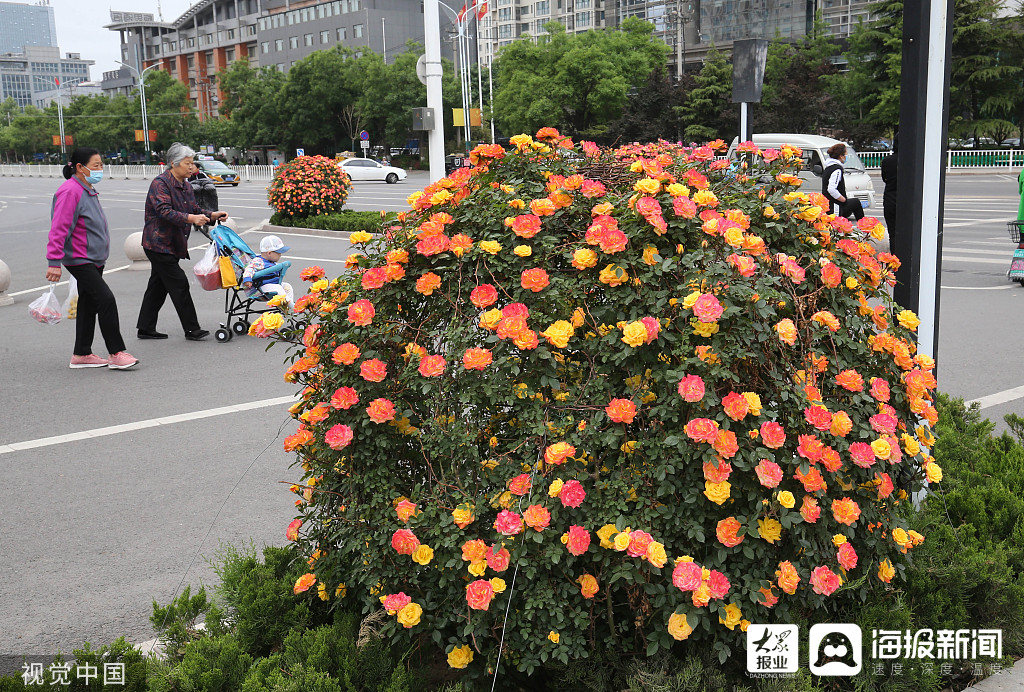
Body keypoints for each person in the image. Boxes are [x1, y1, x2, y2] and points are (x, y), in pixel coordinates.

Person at [46, 147, 138, 370]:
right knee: (105, 299)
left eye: (101, 165)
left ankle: (81, 353)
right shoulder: (70, 191)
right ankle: (116, 352)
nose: (100, 169)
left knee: (88, 304)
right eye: (96, 165)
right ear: (79, 167)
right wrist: (54, 262)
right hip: (79, 258)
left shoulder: (87, 188)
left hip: (93, 258)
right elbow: (59, 228)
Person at [137, 142, 228, 341]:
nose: (191, 166)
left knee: (158, 286)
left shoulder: (186, 185)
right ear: (174, 164)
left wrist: (212, 215)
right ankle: (192, 329)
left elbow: (194, 209)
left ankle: (145, 327)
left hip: (173, 243)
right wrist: (191, 219)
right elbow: (164, 211)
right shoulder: (160, 183)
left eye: (192, 163)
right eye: (187, 163)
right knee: (179, 284)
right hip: (158, 243)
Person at [242, 235, 294, 304]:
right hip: (264, 286)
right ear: (269, 253)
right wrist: (247, 278)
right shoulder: (258, 261)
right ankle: (289, 305)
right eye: (278, 253)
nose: (280, 255)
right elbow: (249, 268)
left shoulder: (272, 262)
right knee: (279, 289)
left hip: (275, 284)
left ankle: (290, 305)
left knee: (287, 287)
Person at [822, 142, 865, 221]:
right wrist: (844, 200)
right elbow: (831, 189)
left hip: (829, 204)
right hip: (834, 205)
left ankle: (864, 225)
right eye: (846, 155)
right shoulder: (837, 169)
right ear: (841, 156)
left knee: (855, 202)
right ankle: (864, 226)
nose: (846, 157)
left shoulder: (828, 167)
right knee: (835, 227)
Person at [881, 134, 898, 246]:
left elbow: (885, 179)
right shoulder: (914, 161)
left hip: (890, 200)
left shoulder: (887, 161)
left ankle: (894, 260)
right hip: (908, 203)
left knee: (893, 234)